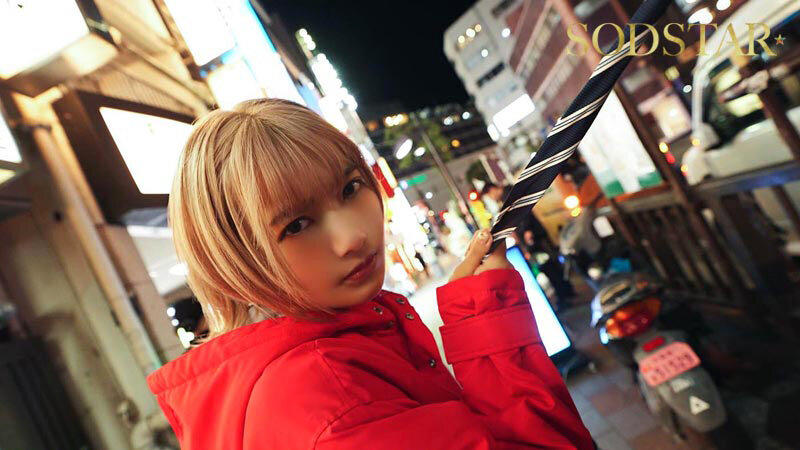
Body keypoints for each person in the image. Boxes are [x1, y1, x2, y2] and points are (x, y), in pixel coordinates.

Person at [147, 99, 592, 449]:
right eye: (296, 225)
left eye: (350, 187)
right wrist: (486, 319)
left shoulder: (280, 375)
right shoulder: (331, 402)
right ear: (234, 264)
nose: (353, 237)